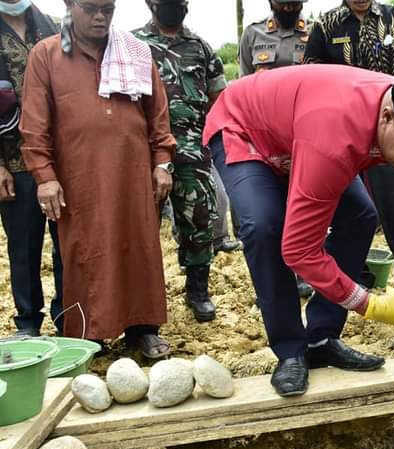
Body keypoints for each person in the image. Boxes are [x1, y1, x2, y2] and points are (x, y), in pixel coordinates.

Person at [204, 54, 394, 397]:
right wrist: (371, 305)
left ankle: (322, 337)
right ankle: (291, 350)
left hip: (301, 132)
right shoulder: (334, 138)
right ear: (386, 115)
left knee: (361, 215)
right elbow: (300, 251)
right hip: (246, 129)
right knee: (265, 227)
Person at [20, 0, 176, 357]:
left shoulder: (134, 52)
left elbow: (158, 113)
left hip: (133, 173)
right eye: (91, 8)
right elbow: (34, 124)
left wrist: (162, 160)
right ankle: (88, 335)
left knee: (138, 246)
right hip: (79, 177)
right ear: (70, 5)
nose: (100, 17)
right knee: (83, 252)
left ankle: (142, 329)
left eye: (108, 8)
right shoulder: (47, 55)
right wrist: (44, 176)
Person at [303, 0, 394, 291]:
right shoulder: (326, 24)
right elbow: (311, 75)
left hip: (390, 128)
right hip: (342, 132)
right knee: (352, 209)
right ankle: (357, 275)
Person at [135, 0, 225, 322]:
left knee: (200, 222)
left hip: (192, 151)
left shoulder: (200, 48)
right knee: (142, 227)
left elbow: (219, 98)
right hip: (144, 153)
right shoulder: (133, 45)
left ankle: (197, 291)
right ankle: (143, 298)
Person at [238, 0, 314, 298]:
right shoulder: (253, 34)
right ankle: (269, 283)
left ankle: (299, 272)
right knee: (266, 213)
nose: (289, 5)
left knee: (300, 208)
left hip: (303, 136)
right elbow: (244, 86)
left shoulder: (315, 33)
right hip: (264, 138)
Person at [0, 0, 61, 337]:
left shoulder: (53, 26)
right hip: (13, 161)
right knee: (23, 247)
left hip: (60, 159)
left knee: (68, 244)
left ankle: (69, 318)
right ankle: (27, 323)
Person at [239, 0, 309, 76]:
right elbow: (244, 82)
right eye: (281, 3)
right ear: (271, 2)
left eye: (294, 3)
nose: (288, 8)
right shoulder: (252, 34)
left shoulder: (315, 32)